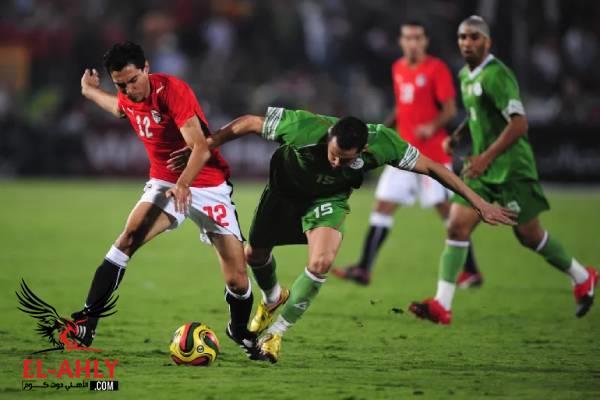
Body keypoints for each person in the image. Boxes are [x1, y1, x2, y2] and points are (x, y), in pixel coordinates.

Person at [183, 107, 515, 363]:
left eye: (346, 159)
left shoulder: (382, 142)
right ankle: (272, 298)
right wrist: (206, 146)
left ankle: (276, 333)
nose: (336, 163)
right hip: (283, 193)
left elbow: (433, 167)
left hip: (327, 201)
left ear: (363, 149)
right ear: (329, 137)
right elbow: (248, 123)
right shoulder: (303, 127)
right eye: (333, 154)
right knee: (254, 255)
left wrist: (479, 203)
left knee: (321, 262)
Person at [71, 41, 260, 358]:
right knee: (128, 238)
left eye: (133, 80)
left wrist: (184, 184)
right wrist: (90, 91)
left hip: (207, 184)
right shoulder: (127, 94)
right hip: (165, 182)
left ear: (146, 67)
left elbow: (200, 148)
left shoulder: (171, 91)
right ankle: (85, 323)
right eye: (121, 84)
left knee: (238, 281)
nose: (129, 90)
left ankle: (239, 330)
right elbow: (118, 108)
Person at [409, 16, 598, 325]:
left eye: (474, 37)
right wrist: (457, 136)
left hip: (511, 169)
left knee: (529, 235)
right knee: (456, 226)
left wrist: (486, 157)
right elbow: (476, 114)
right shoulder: (466, 75)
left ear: (487, 42)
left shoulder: (498, 75)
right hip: (481, 171)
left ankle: (582, 276)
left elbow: (519, 123)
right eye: (462, 37)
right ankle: (442, 305)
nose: (467, 43)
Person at [332, 21, 482, 288]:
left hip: (431, 156)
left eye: (417, 38)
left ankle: (471, 270)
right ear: (401, 42)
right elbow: (402, 108)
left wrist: (431, 127)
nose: (413, 43)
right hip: (401, 153)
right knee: (382, 206)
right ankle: (364, 268)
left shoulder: (436, 69)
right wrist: (379, 131)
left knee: (449, 214)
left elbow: (449, 110)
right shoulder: (398, 68)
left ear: (425, 41)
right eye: (408, 38)